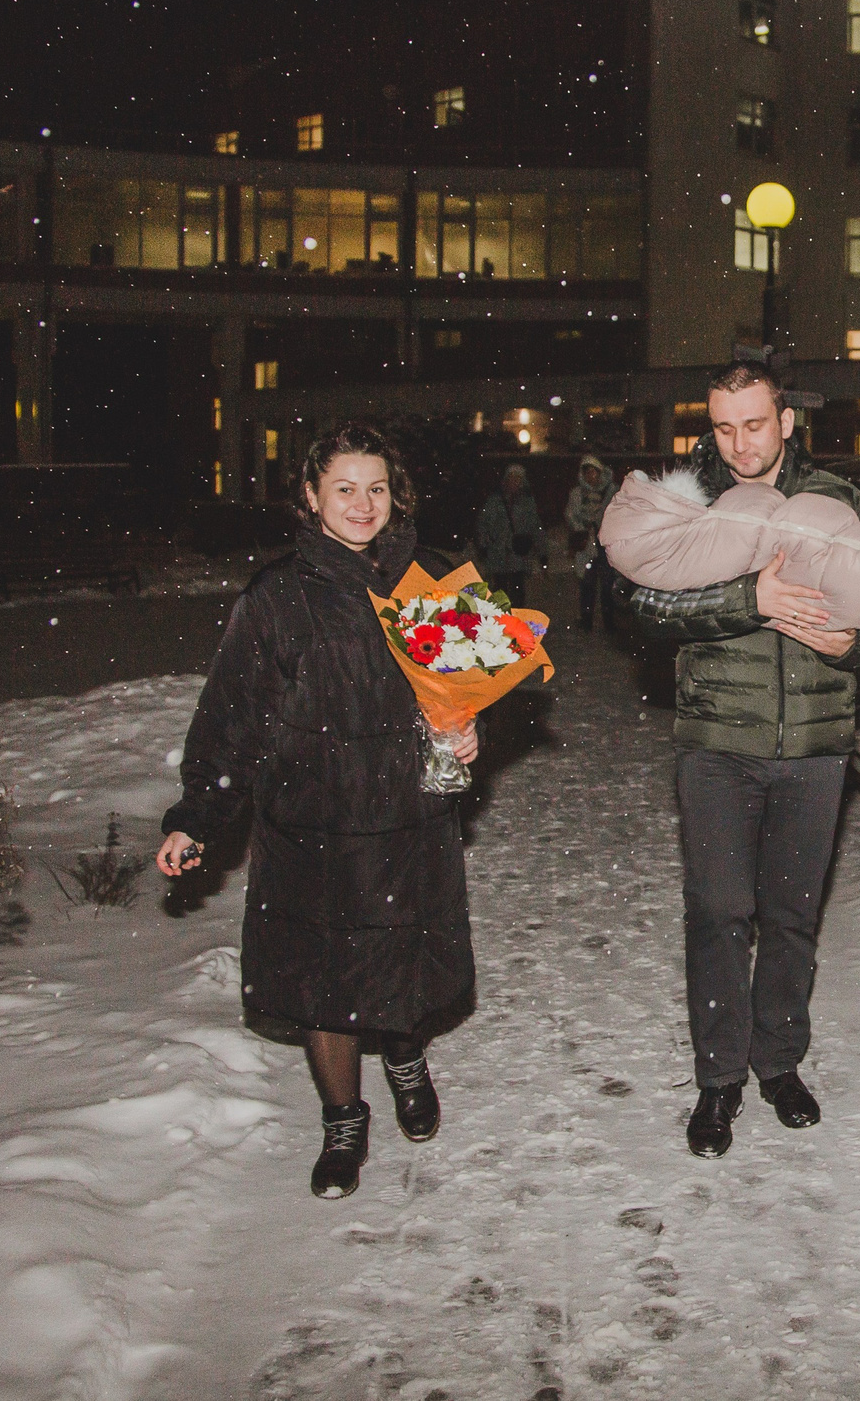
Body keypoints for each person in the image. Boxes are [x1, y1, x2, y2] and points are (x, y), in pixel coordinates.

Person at [155, 422, 483, 1200]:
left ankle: (405, 1059)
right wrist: (196, 814)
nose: (363, 504)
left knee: (402, 964)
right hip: (309, 825)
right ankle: (343, 1117)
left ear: (394, 494)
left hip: (407, 817)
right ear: (311, 496)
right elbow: (232, 717)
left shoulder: (430, 580)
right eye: (344, 487)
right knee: (322, 981)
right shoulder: (275, 598)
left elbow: (468, 689)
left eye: (376, 487)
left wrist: (470, 730)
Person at [616, 363, 860, 1158]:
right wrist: (749, 601)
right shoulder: (685, 499)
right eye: (724, 426)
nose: (739, 443)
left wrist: (858, 644)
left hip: (815, 743)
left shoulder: (837, 499)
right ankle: (718, 1077)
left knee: (792, 916)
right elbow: (643, 606)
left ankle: (778, 1062)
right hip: (717, 741)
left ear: (786, 421)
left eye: (754, 424)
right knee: (718, 912)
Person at [472, 461, 544, 602]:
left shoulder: (527, 503)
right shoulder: (494, 501)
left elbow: (536, 527)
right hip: (498, 553)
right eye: (512, 478)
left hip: (518, 553)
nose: (514, 482)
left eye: (518, 478)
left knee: (518, 589)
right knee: (500, 591)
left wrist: (542, 552)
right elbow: (483, 524)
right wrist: (483, 545)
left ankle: (517, 617)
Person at [564, 453, 619, 628]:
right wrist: (582, 526)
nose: (591, 476)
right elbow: (570, 515)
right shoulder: (577, 494)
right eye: (587, 472)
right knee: (587, 582)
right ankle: (586, 618)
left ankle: (609, 620)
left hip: (606, 544)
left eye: (594, 472)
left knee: (607, 584)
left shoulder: (611, 492)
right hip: (586, 544)